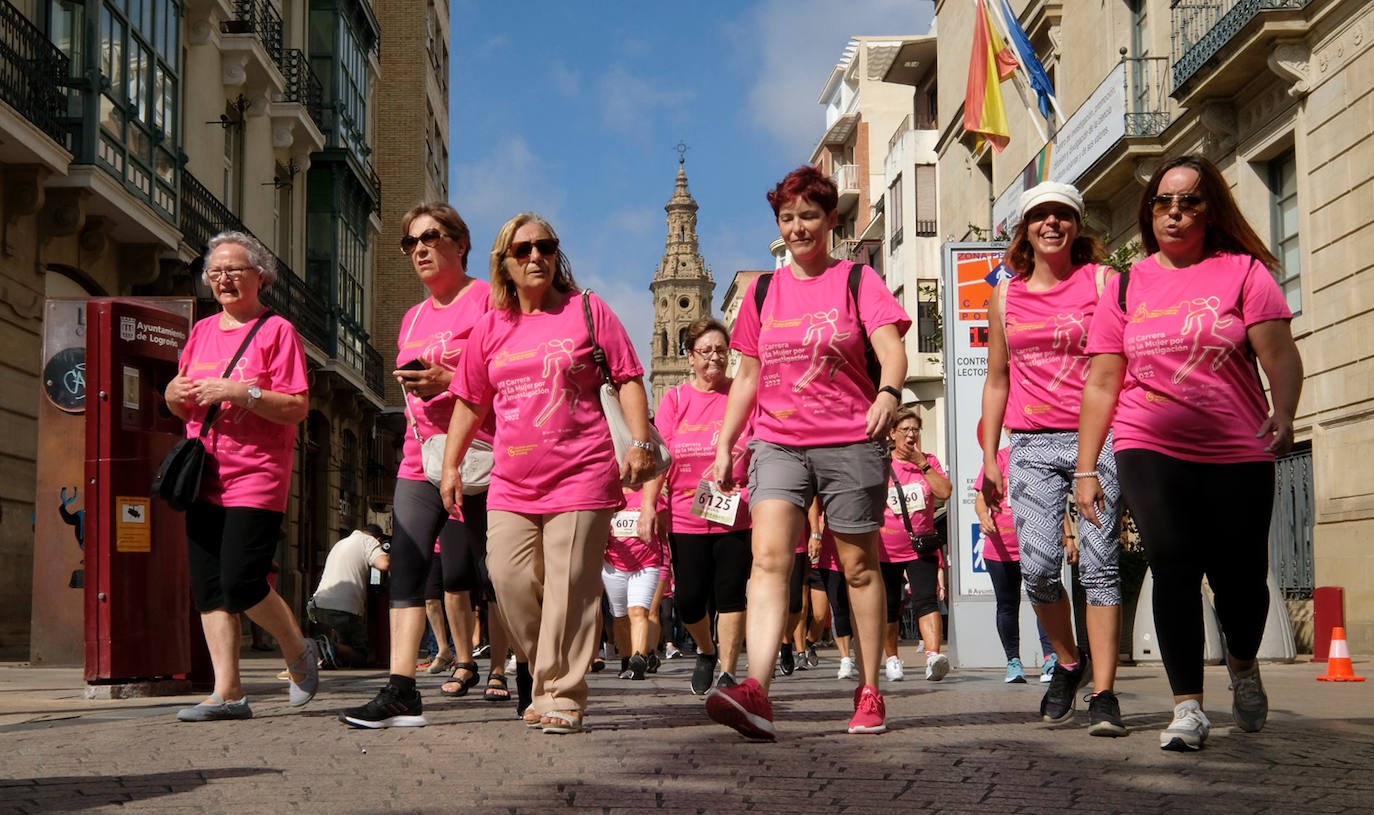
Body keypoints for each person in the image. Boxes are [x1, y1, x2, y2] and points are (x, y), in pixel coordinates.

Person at [1076, 154, 1303, 752]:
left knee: (1241, 582)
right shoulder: (1126, 284)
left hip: (1237, 446)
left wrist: (1284, 414)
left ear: (1211, 210)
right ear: (1148, 212)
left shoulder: (1243, 272)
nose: (1174, 213)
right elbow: (1102, 382)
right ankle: (1187, 707)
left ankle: (1243, 664)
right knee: (1173, 563)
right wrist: (1085, 467)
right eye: (1162, 202)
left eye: (1189, 202)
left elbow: (1279, 356)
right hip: (1148, 440)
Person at [707, 166, 911, 738]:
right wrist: (726, 443)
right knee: (769, 560)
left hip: (850, 439)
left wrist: (889, 395)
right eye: (787, 218)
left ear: (830, 220)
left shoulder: (856, 281)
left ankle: (870, 691)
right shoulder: (764, 292)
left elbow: (891, 352)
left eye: (809, 216)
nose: (798, 228)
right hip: (778, 441)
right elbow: (747, 374)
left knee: (858, 567)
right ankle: (758, 689)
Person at [439, 212, 654, 735]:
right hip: (511, 479)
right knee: (509, 581)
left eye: (545, 246)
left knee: (570, 586)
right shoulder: (491, 325)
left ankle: (563, 694)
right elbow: (470, 400)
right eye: (522, 250)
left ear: (557, 254)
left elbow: (627, 378)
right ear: (504, 264)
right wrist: (450, 464)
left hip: (582, 472)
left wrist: (642, 442)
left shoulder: (588, 311)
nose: (535, 256)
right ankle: (544, 672)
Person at [979, 180, 1128, 737]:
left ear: (1076, 225)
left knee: (1099, 564)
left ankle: (1106, 695)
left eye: (1061, 215)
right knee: (1039, 569)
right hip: (1032, 441)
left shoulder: (1103, 281)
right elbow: (997, 379)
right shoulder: (1005, 295)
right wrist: (990, 456)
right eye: (1040, 216)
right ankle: (1069, 662)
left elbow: (1119, 363)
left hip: (1099, 437)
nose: (1051, 224)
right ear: (1025, 230)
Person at [339, 202, 491, 728]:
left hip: (484, 455)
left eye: (430, 237)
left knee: (499, 574)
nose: (419, 249)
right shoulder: (414, 316)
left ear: (460, 242)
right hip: (420, 455)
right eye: (410, 243)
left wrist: (451, 381)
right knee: (405, 562)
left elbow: (512, 376)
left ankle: (525, 672)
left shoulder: (490, 300)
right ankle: (401, 688)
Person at [164, 231, 314, 722]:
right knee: (209, 585)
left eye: (234, 270)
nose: (223, 279)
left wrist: (239, 391)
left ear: (260, 276)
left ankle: (296, 647)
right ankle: (228, 693)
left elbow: (295, 407)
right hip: (204, 469)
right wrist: (172, 394)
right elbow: (184, 397)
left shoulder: (278, 332)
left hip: (257, 474)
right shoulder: (202, 332)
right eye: (215, 272)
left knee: (241, 578)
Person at [644, 318, 753, 694]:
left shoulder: (742, 395)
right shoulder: (674, 400)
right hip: (686, 515)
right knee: (689, 600)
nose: (714, 358)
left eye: (721, 350)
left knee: (731, 593)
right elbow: (659, 460)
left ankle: (727, 670)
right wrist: (649, 506)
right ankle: (706, 650)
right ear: (689, 357)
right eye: (705, 351)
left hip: (735, 512)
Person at [974, 437, 1056, 683]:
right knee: (1007, 605)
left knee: (1045, 601)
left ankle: (1051, 658)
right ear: (1008, 428)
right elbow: (982, 498)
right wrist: (983, 516)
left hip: (1035, 544)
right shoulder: (998, 458)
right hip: (1001, 548)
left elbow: (1054, 502)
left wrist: (1068, 535)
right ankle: (1013, 662)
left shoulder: (1042, 456)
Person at [880, 408, 952, 682]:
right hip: (884, 547)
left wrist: (923, 464)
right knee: (889, 606)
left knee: (926, 600)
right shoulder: (882, 463)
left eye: (915, 430)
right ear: (892, 433)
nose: (911, 435)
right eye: (905, 430)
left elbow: (945, 491)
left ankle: (933, 656)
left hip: (921, 545)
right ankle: (892, 658)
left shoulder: (929, 461)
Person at [603, 486, 666, 680]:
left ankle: (637, 660)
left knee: (639, 611)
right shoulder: (606, 494)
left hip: (646, 563)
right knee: (620, 615)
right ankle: (626, 660)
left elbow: (664, 530)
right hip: (613, 564)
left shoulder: (652, 495)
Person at [310, 524, 390, 668]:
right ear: (378, 539)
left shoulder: (342, 542)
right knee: (361, 654)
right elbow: (383, 564)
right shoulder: (369, 541)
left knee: (344, 635)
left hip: (318, 605)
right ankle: (331, 648)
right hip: (343, 607)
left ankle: (326, 653)